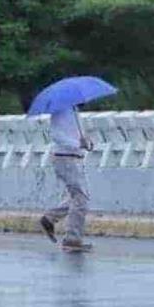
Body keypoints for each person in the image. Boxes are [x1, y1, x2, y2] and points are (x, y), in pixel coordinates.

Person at [38, 105, 94, 250]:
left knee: (77, 197)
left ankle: (49, 218)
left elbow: (77, 135)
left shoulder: (74, 111)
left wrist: (87, 142)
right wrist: (77, 144)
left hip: (74, 158)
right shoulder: (60, 111)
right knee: (81, 198)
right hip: (66, 158)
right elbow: (56, 135)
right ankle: (72, 239)